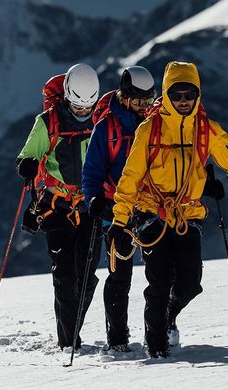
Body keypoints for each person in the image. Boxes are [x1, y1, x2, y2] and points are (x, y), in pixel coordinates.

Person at [107, 61, 228, 358]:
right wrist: (120, 222)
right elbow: (130, 178)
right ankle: (157, 348)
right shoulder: (148, 130)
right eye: (176, 95)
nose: (182, 101)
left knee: (190, 283)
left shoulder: (207, 130)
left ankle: (167, 319)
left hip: (188, 215)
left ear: (197, 95)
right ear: (165, 94)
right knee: (159, 283)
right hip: (152, 213)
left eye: (188, 95)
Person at [15, 63, 102, 352]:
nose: (82, 112)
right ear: (66, 96)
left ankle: (72, 328)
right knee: (65, 278)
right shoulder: (47, 122)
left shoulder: (100, 120)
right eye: (77, 107)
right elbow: (28, 155)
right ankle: (69, 343)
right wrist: (26, 165)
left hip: (90, 206)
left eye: (87, 108)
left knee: (87, 277)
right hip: (56, 207)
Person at [80, 66, 162, 354]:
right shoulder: (106, 129)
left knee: (162, 274)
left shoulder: (156, 125)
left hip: (152, 208)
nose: (144, 107)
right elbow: (91, 173)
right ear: (125, 98)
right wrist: (93, 200)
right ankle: (117, 338)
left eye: (149, 100)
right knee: (120, 276)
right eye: (139, 102)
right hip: (116, 211)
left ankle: (161, 331)